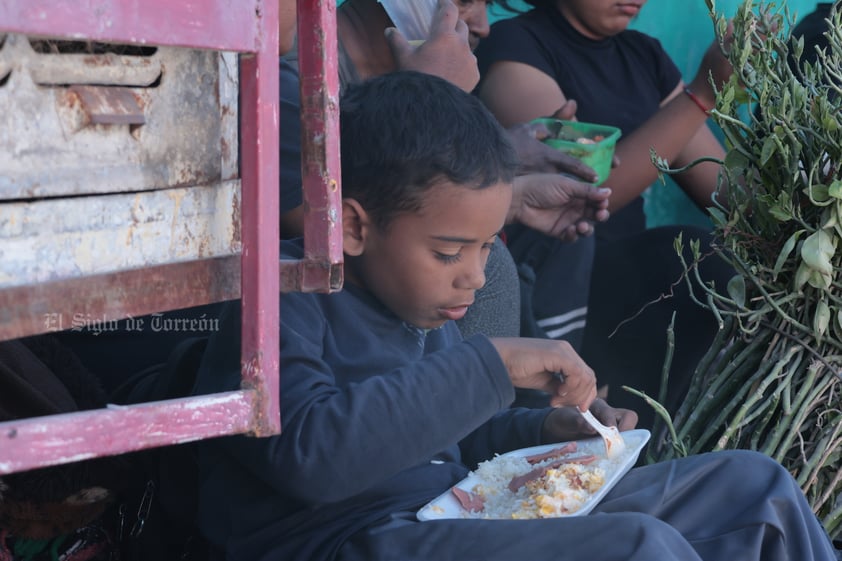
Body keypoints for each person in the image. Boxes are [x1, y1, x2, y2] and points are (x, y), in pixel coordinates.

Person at [191, 70, 836, 561]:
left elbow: (458, 442)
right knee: (640, 549)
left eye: (483, 246)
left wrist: (548, 432)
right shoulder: (281, 301)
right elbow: (315, 457)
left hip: (463, 509)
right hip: (357, 538)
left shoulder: (424, 305)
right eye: (449, 251)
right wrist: (493, 364)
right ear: (355, 225)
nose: (474, 274)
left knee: (756, 489)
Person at [283, 0, 612, 343]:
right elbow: (326, 226)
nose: (484, 26)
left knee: (562, 226)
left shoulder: (445, 67)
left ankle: (562, 390)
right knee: (493, 265)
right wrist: (436, 94)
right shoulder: (300, 71)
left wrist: (511, 189)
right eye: (466, 2)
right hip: (337, 320)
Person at [473, 0, 738, 424]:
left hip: (627, 277)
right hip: (553, 277)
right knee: (690, 259)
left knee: (720, 264)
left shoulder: (644, 55)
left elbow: (726, 191)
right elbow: (577, 197)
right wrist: (701, 95)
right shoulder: (516, 45)